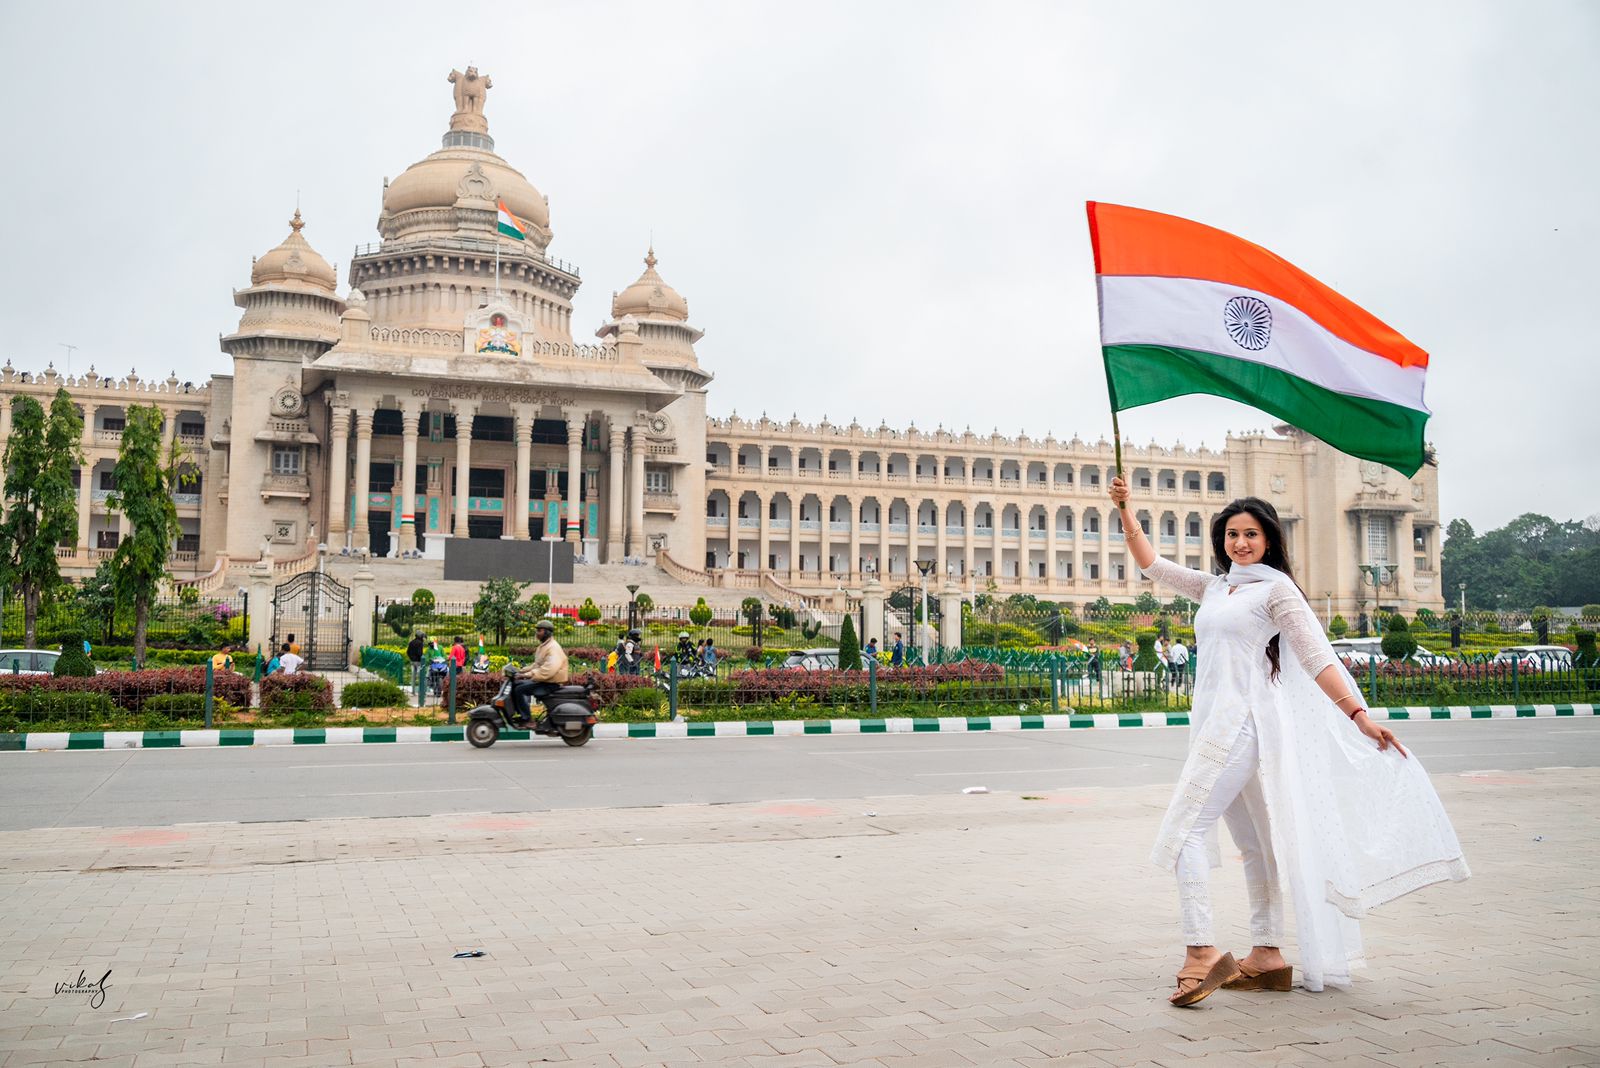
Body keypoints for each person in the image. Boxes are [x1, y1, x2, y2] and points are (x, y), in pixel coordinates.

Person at [1107, 475, 1467, 1006]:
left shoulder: (1276, 591)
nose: (1240, 543)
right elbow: (1151, 564)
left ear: (1269, 540)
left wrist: (1358, 716)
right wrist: (1126, 508)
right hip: (1211, 725)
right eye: (1231, 535)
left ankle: (1200, 950)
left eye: (1250, 534)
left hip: (1241, 725)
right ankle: (1268, 953)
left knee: (1184, 832)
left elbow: (1318, 657)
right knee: (1255, 845)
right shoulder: (1215, 587)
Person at [512, 618, 568, 726]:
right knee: (516, 684)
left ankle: (527, 719)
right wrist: (520, 671)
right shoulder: (544, 646)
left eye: (539, 630)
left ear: (546, 632)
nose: (537, 633)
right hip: (544, 681)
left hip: (550, 683)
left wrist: (527, 675)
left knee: (519, 689)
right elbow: (537, 665)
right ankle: (521, 715)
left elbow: (548, 670)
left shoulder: (553, 648)